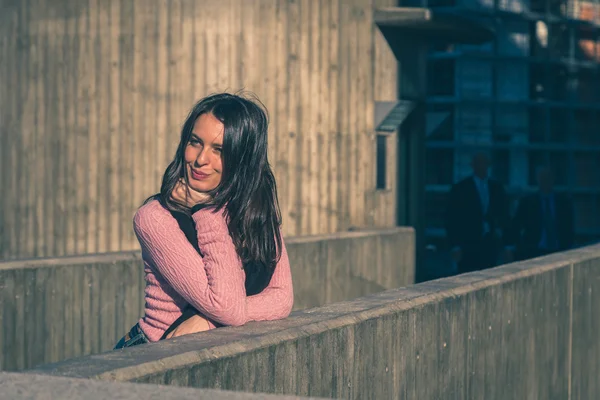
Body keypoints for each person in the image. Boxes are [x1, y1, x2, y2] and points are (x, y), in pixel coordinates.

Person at [114, 93, 294, 349]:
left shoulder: (256, 213)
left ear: (243, 159)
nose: (200, 160)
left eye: (219, 150)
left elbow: (281, 298)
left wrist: (206, 321)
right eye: (195, 142)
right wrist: (206, 211)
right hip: (152, 351)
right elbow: (228, 309)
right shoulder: (154, 217)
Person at [445, 152, 509, 274]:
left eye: (484, 163)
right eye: (478, 163)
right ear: (473, 166)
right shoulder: (461, 188)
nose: (481, 166)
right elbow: (451, 218)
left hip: (490, 243)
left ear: (488, 165)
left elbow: (504, 215)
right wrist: (455, 246)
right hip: (468, 244)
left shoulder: (496, 188)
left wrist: (506, 243)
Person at [505, 166, 574, 261]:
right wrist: (510, 247)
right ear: (538, 180)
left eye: (548, 178)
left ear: (553, 179)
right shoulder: (527, 202)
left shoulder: (563, 202)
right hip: (535, 251)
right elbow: (516, 226)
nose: (545, 181)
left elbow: (569, 227)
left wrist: (569, 248)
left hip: (560, 251)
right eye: (542, 178)